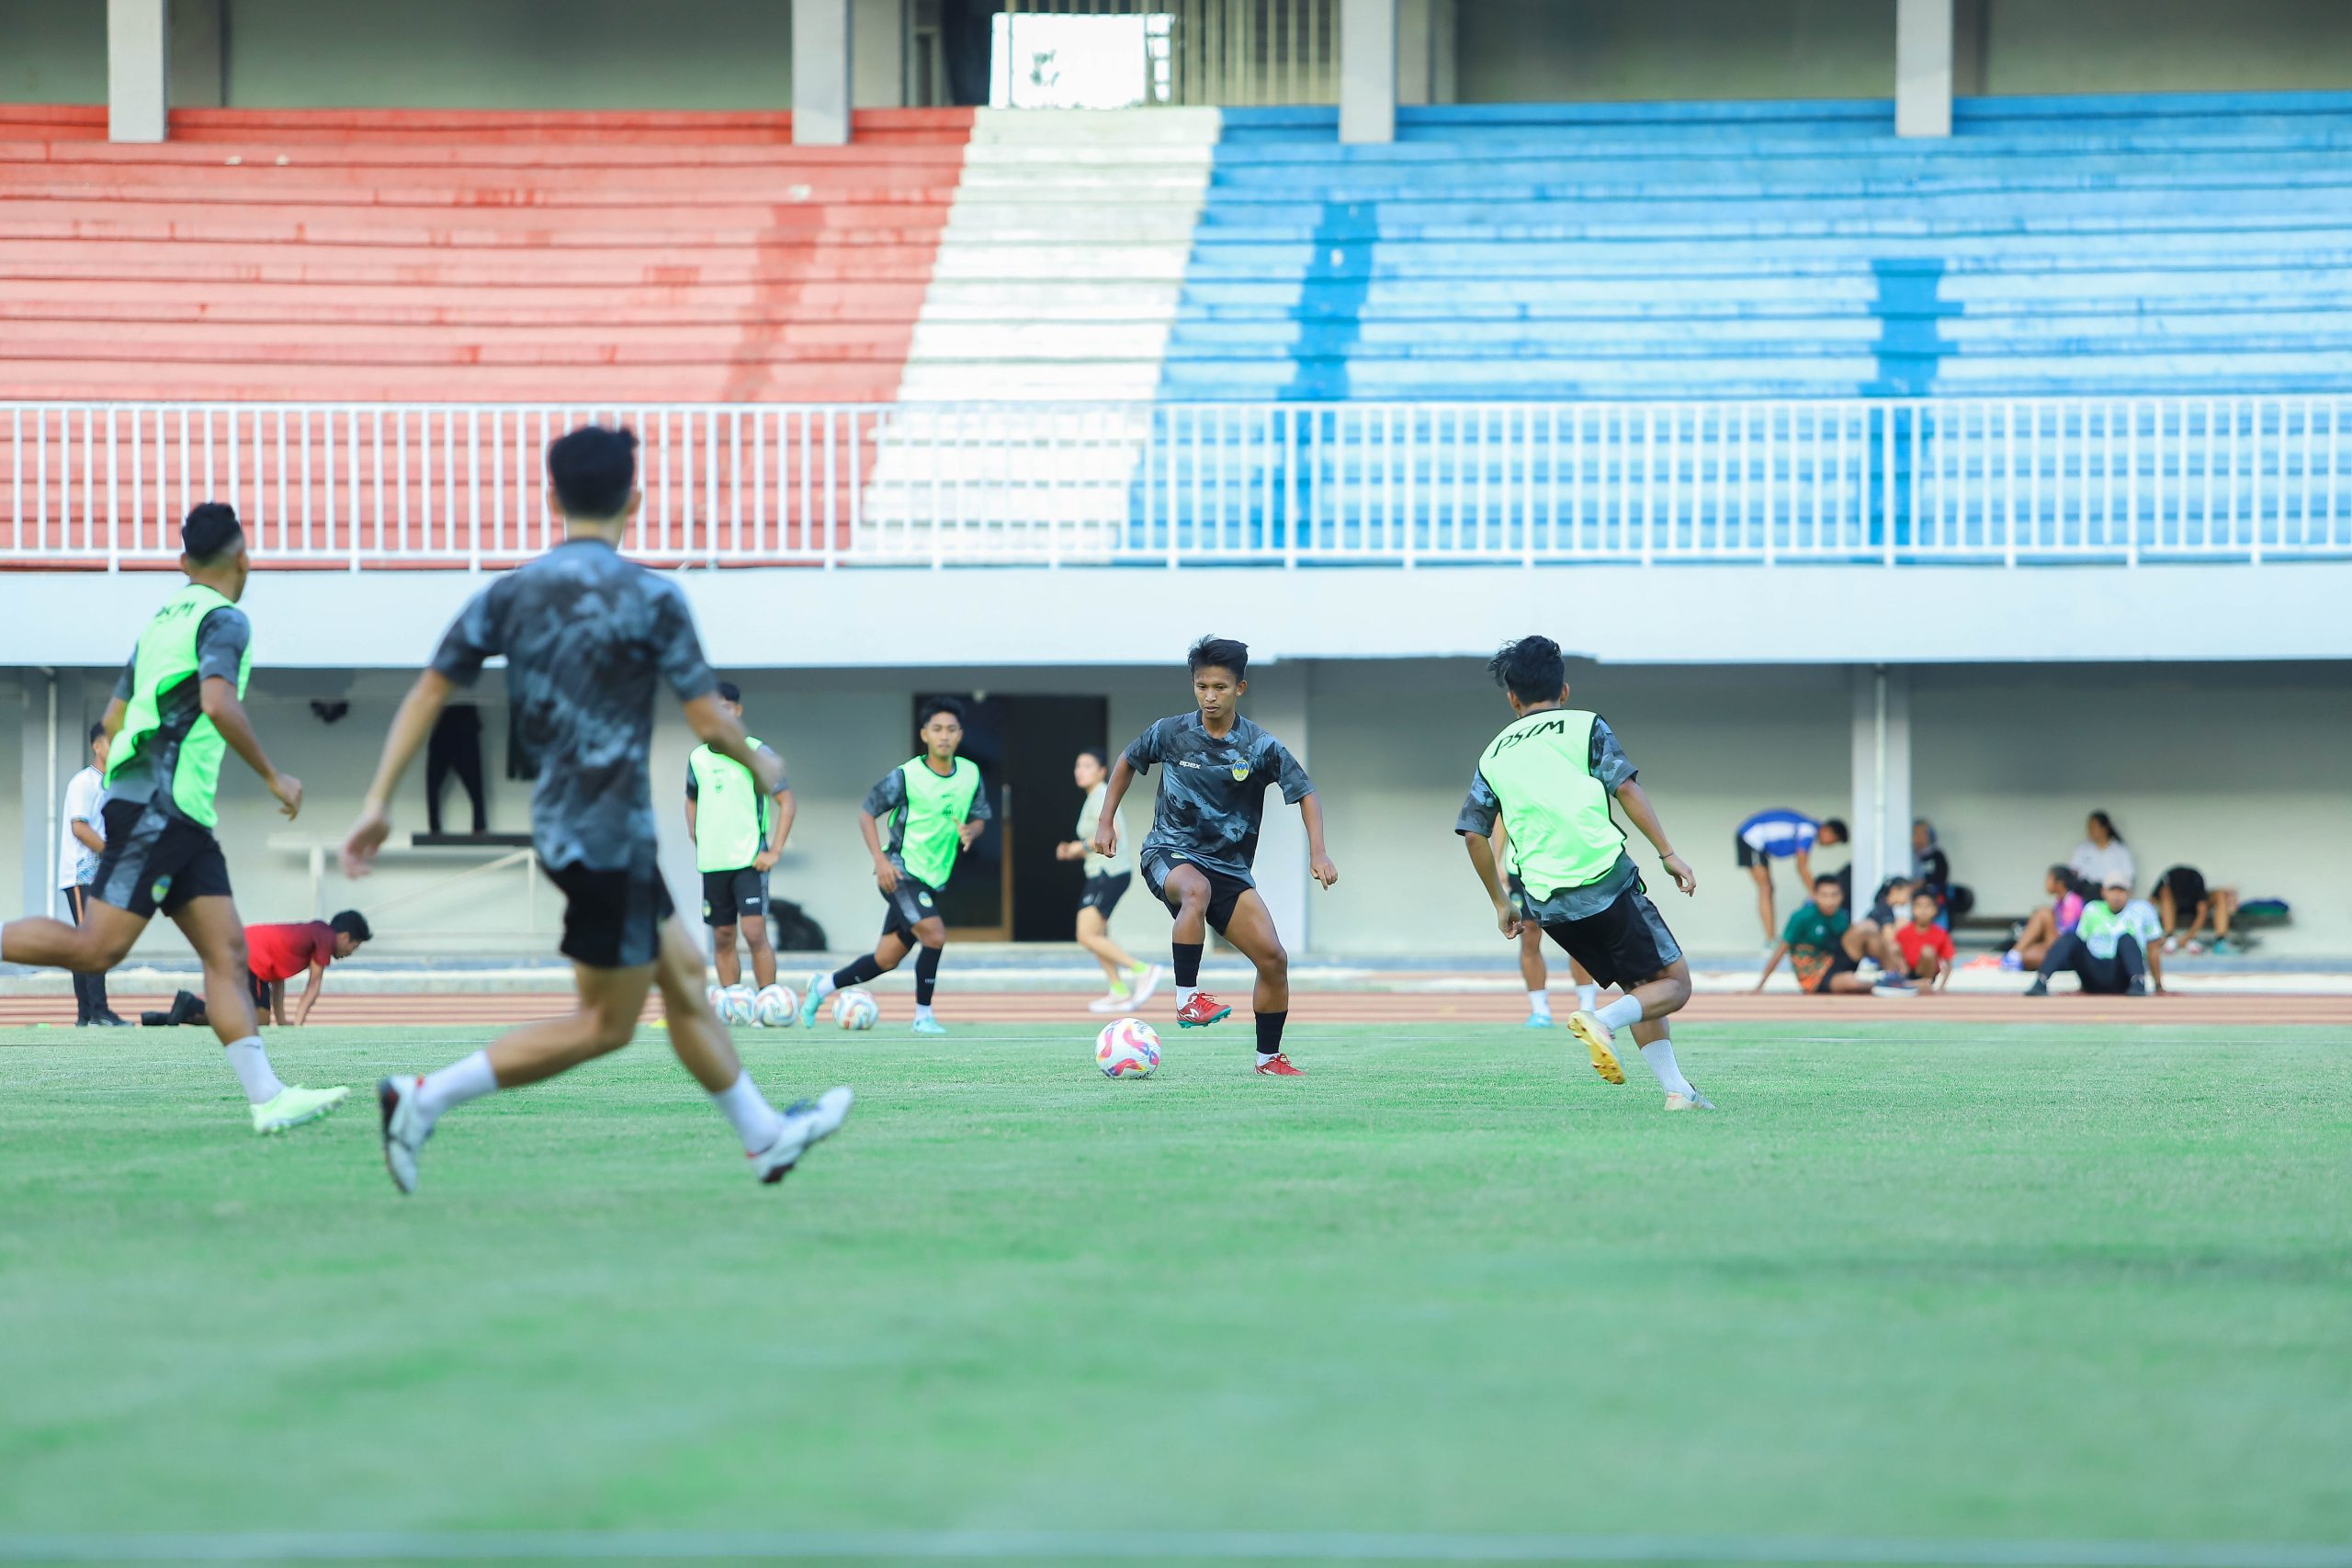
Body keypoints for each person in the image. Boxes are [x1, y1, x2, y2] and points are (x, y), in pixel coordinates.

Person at [347, 424, 850, 1196]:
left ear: (552, 497)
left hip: (580, 833)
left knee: (685, 981)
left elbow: (428, 690)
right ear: (635, 498)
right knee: (606, 1026)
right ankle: (421, 1099)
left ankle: (765, 1137)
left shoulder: (510, 592)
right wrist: (764, 764)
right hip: (607, 839)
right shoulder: (652, 595)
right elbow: (712, 720)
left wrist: (378, 800)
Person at [1, 503, 344, 1133]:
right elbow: (217, 701)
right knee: (96, 947)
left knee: (229, 951)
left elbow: (111, 719)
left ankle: (267, 1098)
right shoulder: (226, 620)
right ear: (244, 557)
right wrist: (274, 776)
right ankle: (267, 1095)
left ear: (184, 563)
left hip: (174, 808)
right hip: (162, 803)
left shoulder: (160, 623)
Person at [1456, 636, 1707, 1108]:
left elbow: (1474, 834)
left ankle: (1678, 1092)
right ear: (1564, 691)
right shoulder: (1584, 725)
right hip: (1605, 880)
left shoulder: (1493, 752)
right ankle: (1601, 1021)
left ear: (1512, 698)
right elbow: (1626, 789)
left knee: (1641, 985)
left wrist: (1500, 902)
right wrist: (1668, 852)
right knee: (1675, 985)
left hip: (1546, 902)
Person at [1091, 637, 1337, 1076]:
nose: (1209, 695)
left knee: (1274, 959)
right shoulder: (1170, 732)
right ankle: (1188, 998)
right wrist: (1106, 820)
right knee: (1195, 890)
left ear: (1239, 688)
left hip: (1230, 869)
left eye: (1220, 687)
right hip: (1169, 851)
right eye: (1202, 685)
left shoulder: (1260, 746)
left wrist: (1318, 851)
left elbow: (1307, 794)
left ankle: (1268, 1060)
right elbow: (1128, 760)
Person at [799, 697, 989, 1036]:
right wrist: (881, 860)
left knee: (886, 959)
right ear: (924, 734)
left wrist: (971, 832)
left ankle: (823, 986)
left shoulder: (971, 774)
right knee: (934, 934)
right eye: (936, 729)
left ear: (960, 735)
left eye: (950, 729)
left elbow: (979, 818)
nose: (943, 736)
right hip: (901, 872)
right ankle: (923, 1016)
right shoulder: (906, 776)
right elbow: (866, 812)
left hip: (933, 878)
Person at [686, 680, 795, 991]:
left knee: (754, 932)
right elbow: (691, 798)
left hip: (749, 859)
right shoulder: (698, 758)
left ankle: (768, 1003)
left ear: (738, 710)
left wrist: (773, 850)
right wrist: (697, 835)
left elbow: (787, 802)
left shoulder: (757, 752)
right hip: (712, 862)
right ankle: (734, 1004)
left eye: (726, 709)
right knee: (722, 937)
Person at [1055, 748, 1162, 1014]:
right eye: (1078, 766)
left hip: (1109, 874)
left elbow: (1113, 834)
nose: (1080, 771)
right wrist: (1075, 849)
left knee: (1086, 935)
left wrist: (1076, 849)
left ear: (1102, 771)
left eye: (1087, 766)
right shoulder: (1093, 797)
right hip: (1100, 873)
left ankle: (1142, 970)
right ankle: (1117, 989)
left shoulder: (1101, 793)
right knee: (1097, 934)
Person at [1488, 809, 1599, 1028]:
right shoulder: (1514, 780)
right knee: (1528, 933)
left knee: (1577, 933)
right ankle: (1540, 1011)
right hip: (1521, 867)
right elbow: (1502, 816)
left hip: (1565, 866)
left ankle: (1588, 1009)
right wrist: (1496, 860)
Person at [58, 722, 127, 1027]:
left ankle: (88, 1014)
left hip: (100, 876)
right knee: (91, 940)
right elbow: (80, 827)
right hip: (82, 874)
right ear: (97, 747)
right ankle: (96, 1011)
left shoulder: (111, 784)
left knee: (95, 940)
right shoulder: (84, 782)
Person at [1756, 874, 1902, 996]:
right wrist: (1760, 985)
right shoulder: (1801, 917)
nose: (1830, 901)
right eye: (1824, 895)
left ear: (1841, 895)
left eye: (1834, 895)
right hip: (1815, 975)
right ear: (1815, 896)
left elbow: (1854, 943)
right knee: (1852, 983)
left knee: (1869, 927)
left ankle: (1894, 977)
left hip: (1836, 961)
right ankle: (1881, 985)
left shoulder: (1841, 915)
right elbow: (1781, 949)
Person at [2027, 879, 2164, 997]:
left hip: (2121, 973)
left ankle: (2138, 982)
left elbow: (2153, 947)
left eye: (2121, 890)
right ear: (2103, 891)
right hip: (2093, 970)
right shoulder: (2092, 909)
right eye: (2112, 890)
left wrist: (2158, 984)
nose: (2116, 895)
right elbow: (2079, 942)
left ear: (2129, 892)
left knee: (2126, 938)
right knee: (2070, 937)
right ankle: (2041, 980)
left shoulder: (2142, 909)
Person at [1735, 807, 1847, 945]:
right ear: (1828, 831)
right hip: (1751, 837)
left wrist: (1815, 894)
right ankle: (1770, 941)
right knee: (1766, 888)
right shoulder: (1808, 830)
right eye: (1834, 840)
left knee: (1767, 888)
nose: (1830, 845)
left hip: (1754, 839)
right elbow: (1801, 866)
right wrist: (1817, 894)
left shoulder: (1808, 828)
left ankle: (1770, 939)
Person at [245, 910, 373, 1027]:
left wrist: (281, 1021)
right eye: (354, 947)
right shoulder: (325, 939)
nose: (350, 953)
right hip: (250, 956)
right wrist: (298, 1026)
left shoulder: (316, 932)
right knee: (260, 1024)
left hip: (243, 946)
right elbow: (313, 987)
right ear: (345, 937)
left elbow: (277, 979)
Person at [2005, 865, 2086, 971]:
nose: (2046, 883)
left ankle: (2013, 954)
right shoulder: (2059, 901)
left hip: (2067, 948)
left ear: (2059, 884)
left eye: (2049, 879)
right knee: (2026, 956)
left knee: (2044, 913)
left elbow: (2067, 934)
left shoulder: (2073, 901)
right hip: (2055, 942)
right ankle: (2014, 955)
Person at [2154, 864, 2239, 954]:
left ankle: (2221, 941)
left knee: (2221, 894)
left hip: (2194, 908)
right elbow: (2149, 905)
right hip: (2172, 910)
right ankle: (2170, 937)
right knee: (2164, 892)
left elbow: (2202, 912)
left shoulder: (2194, 879)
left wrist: (2188, 936)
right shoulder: (2167, 879)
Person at [1894, 890, 1956, 991]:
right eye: (1919, 906)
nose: (1923, 910)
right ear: (1913, 909)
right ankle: (1905, 982)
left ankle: (1918, 984)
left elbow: (1948, 963)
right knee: (1893, 947)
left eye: (1927, 907)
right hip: (1907, 972)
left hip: (1928, 974)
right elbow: (1895, 954)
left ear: (1935, 910)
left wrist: (1942, 987)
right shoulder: (1903, 932)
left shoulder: (1941, 933)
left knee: (1928, 952)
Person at [2069, 810, 2134, 893]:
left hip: (2111, 892)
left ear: (2105, 828)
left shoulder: (2120, 850)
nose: (2090, 831)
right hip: (2087, 891)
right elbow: (2074, 871)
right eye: (2089, 827)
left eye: (2093, 827)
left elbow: (2128, 875)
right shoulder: (2082, 849)